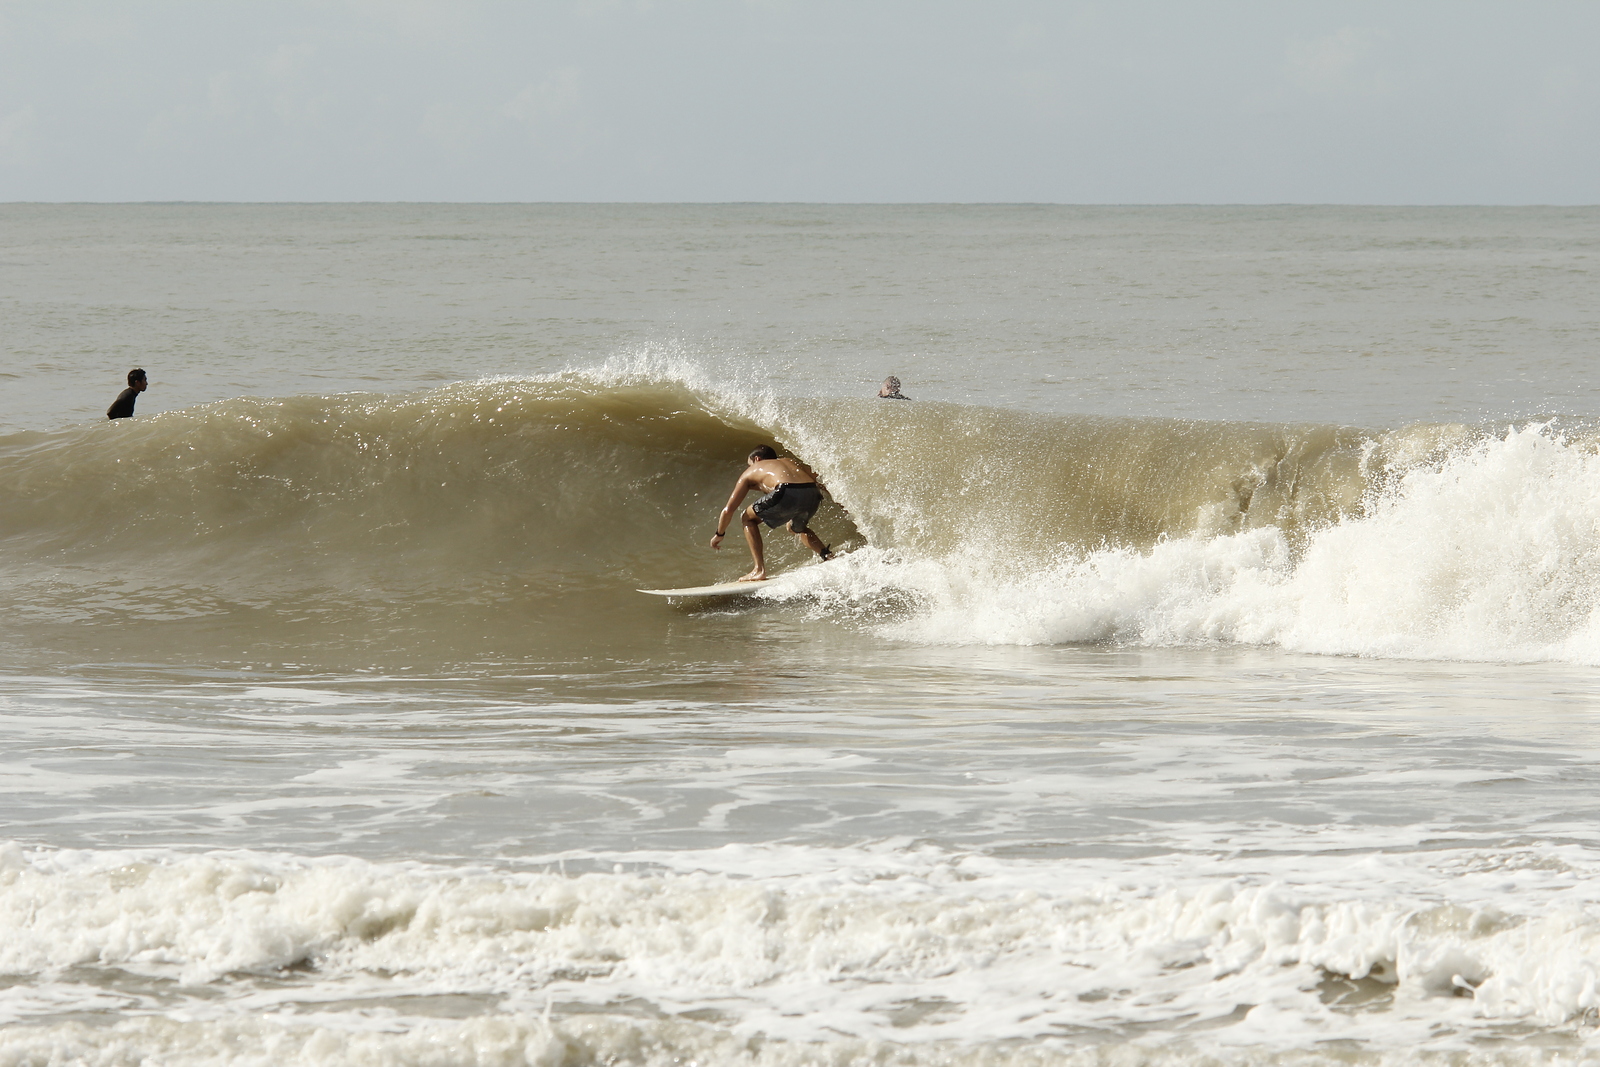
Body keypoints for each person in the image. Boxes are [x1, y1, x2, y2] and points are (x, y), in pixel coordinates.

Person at [710, 445, 834, 581]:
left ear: (757, 459)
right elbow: (819, 481)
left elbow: (728, 510)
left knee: (747, 518)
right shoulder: (791, 462)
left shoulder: (754, 469)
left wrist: (719, 534)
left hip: (786, 491)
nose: (749, 467)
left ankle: (759, 570)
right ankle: (828, 556)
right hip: (812, 493)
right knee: (795, 528)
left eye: (749, 464)